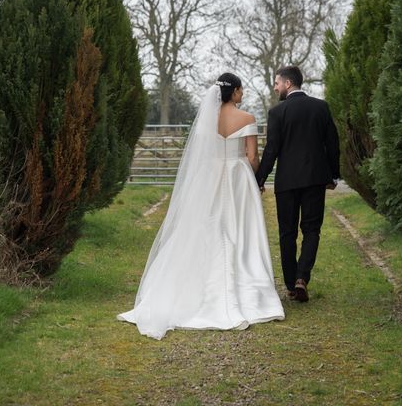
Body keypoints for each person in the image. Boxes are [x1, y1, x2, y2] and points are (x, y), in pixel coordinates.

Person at [118, 72, 284, 340]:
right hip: (237, 176)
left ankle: (199, 285)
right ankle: (248, 287)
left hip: (210, 176)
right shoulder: (247, 119)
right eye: (241, 90)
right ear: (234, 92)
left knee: (208, 227)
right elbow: (252, 156)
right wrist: (254, 176)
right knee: (240, 230)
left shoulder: (208, 119)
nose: (243, 95)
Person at [256, 65, 340, 303]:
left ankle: (291, 285)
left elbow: (271, 149)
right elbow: (333, 143)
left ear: (288, 84)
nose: (275, 87)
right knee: (312, 230)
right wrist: (333, 175)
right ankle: (302, 277)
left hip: (287, 182)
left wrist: (259, 179)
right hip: (315, 179)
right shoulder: (320, 107)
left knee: (287, 232)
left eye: (276, 83)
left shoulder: (277, 112)